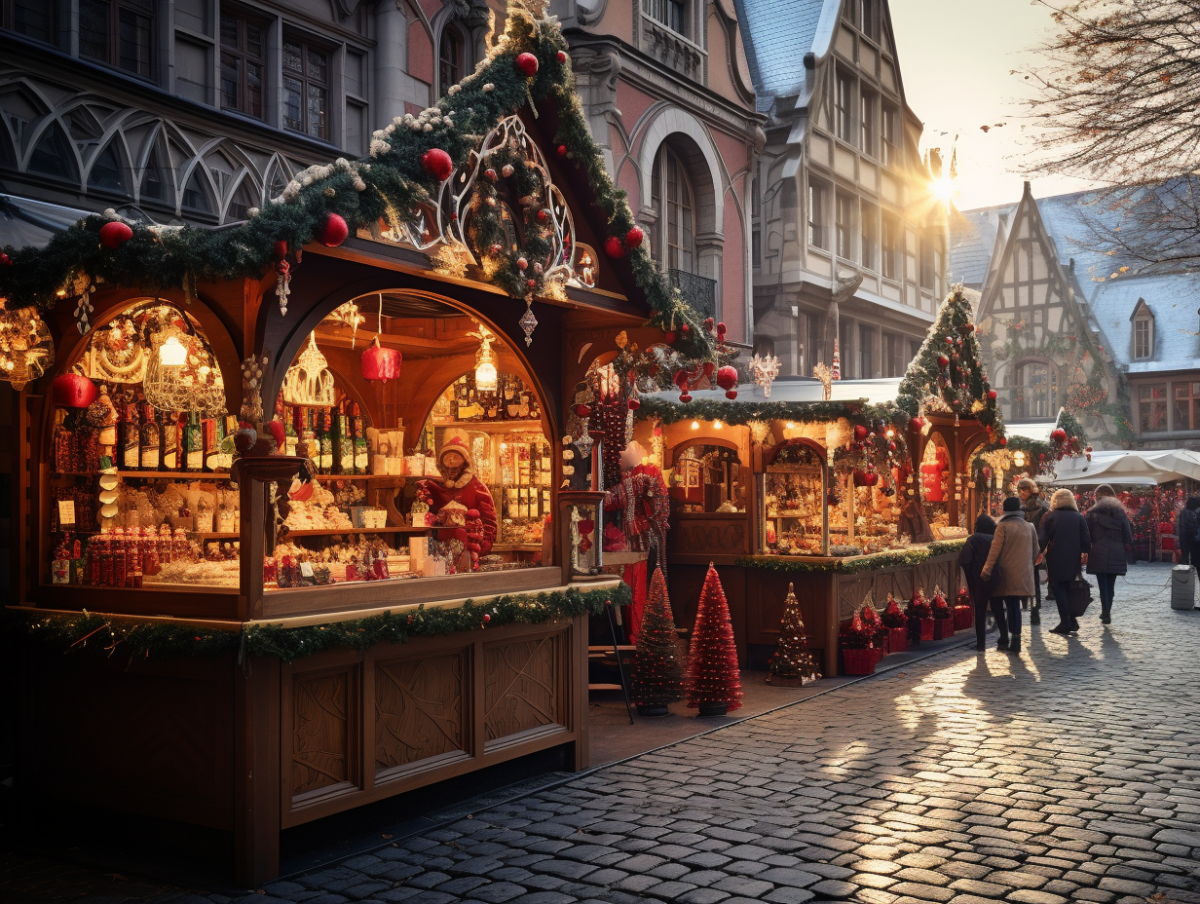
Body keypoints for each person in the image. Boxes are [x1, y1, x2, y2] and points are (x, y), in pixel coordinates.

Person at [418, 435, 498, 557]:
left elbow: (490, 522)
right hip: (441, 552)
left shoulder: (478, 488)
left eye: (456, 458)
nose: (451, 461)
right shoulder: (436, 489)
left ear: (465, 462)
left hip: (470, 551)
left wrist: (480, 548)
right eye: (447, 458)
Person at [981, 495, 1039, 653]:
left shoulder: (1003, 526)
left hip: (1005, 573)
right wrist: (1027, 564)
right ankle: (1016, 638)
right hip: (1023, 572)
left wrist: (986, 570)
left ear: (1005, 510)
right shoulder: (1030, 526)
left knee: (998, 602)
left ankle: (1005, 637)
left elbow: (994, 551)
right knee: (1015, 604)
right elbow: (1036, 551)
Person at [1039, 489, 1091, 635]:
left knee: (1058, 588)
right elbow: (1086, 541)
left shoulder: (1052, 517)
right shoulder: (1078, 517)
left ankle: (1066, 622)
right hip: (1073, 558)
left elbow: (1043, 539)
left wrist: (1036, 553)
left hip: (1056, 557)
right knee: (1070, 588)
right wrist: (1083, 552)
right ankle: (1072, 621)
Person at [1084, 484, 1134, 624]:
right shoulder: (1120, 512)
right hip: (1116, 552)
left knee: (1103, 584)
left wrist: (1088, 547)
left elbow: (1086, 536)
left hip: (1098, 551)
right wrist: (1121, 543)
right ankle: (1107, 612)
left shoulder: (1091, 513)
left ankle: (1105, 612)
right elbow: (1128, 536)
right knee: (1110, 585)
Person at [957, 514, 1002, 651]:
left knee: (980, 611)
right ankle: (1005, 637)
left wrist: (971, 574)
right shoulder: (998, 539)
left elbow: (964, 559)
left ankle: (981, 643)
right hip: (997, 577)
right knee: (998, 608)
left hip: (980, 579)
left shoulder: (974, 539)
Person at [1017, 477, 1049, 624]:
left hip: (1030, 545)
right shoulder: (1040, 506)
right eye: (1019, 490)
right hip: (1037, 545)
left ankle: (1030, 604)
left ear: (1028, 491)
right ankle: (1034, 607)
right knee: (1033, 577)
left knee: (1029, 576)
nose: (1020, 493)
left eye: (1022, 490)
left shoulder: (1028, 509)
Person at [1175, 496, 1200, 567]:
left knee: (1186, 557)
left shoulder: (1183, 512)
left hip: (1186, 538)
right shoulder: (1197, 512)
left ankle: (1187, 573)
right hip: (1196, 539)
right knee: (1196, 559)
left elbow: (1181, 527)